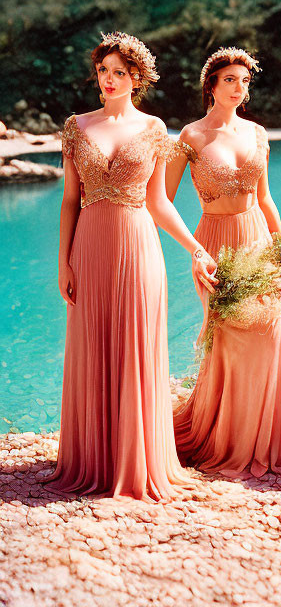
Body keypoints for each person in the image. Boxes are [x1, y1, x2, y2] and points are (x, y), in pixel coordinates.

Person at [52, 32, 216, 500]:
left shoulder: (154, 129)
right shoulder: (75, 126)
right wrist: (62, 262)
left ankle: (135, 458)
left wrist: (193, 246)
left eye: (119, 72)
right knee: (94, 345)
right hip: (89, 248)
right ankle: (93, 458)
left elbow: (160, 201)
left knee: (134, 348)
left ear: (136, 78)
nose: (108, 79)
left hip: (139, 247)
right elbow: (68, 202)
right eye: (103, 70)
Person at [166, 47, 281, 478]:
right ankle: (226, 438)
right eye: (230, 79)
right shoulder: (189, 137)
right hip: (214, 246)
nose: (238, 88)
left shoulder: (257, 133)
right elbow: (162, 203)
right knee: (227, 340)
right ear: (212, 84)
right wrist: (195, 251)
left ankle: (262, 438)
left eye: (244, 81)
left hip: (257, 241)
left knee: (276, 328)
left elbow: (265, 200)